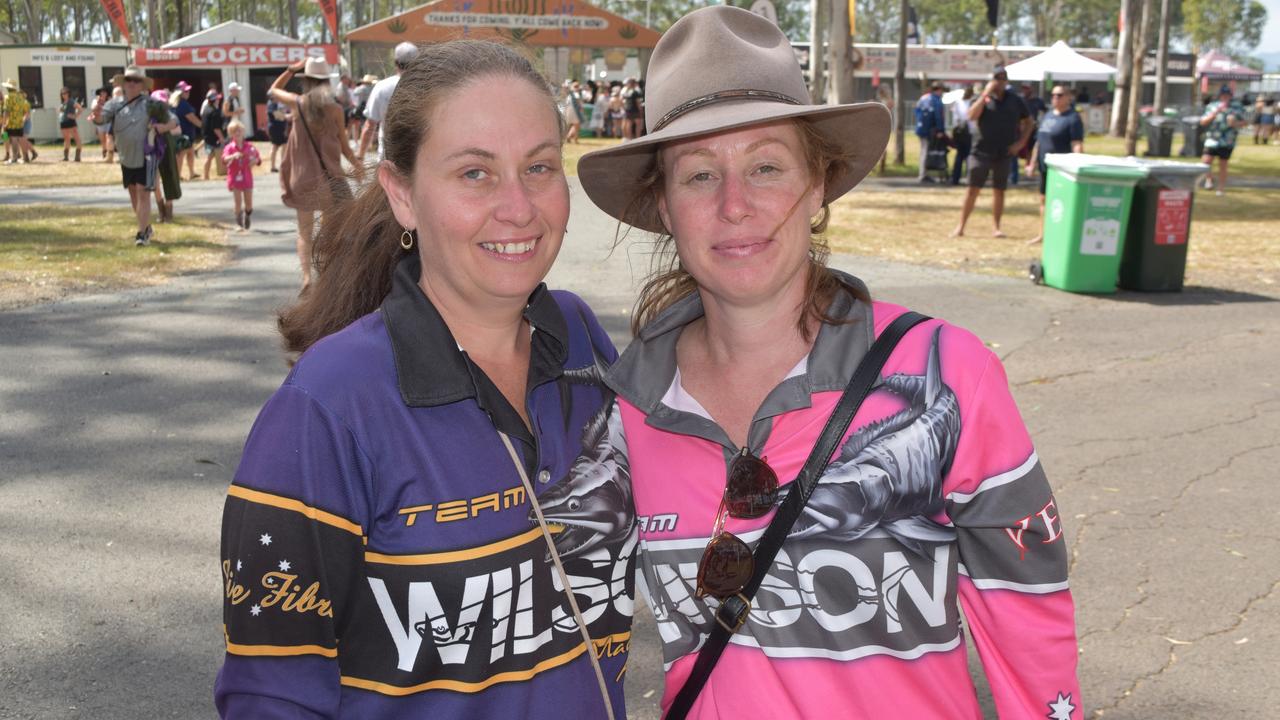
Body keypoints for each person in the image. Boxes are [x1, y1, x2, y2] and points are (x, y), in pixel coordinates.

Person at [575, 8, 1081, 719]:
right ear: (663, 205)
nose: (735, 205)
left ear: (817, 185)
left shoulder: (945, 374)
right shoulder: (626, 406)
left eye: (766, 166)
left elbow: (1029, 618)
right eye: (698, 176)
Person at [215, 38, 632, 720]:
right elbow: (271, 696)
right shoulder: (326, 408)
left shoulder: (581, 337)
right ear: (402, 194)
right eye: (474, 173)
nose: (520, 206)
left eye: (539, 167)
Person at [271, 57, 363, 288]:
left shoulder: (297, 103)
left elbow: (273, 90)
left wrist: (291, 70)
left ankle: (306, 277)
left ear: (307, 81)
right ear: (325, 82)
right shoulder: (335, 110)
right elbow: (343, 145)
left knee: (304, 232)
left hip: (302, 178)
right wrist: (357, 165)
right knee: (329, 231)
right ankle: (324, 277)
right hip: (329, 179)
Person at [90, 66, 178, 246]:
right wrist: (97, 112)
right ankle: (145, 227)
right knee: (133, 194)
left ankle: (141, 235)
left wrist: (162, 128)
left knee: (142, 192)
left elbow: (173, 120)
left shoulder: (151, 104)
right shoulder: (114, 104)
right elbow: (101, 120)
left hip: (146, 156)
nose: (131, 84)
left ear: (142, 85)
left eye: (136, 81)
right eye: (128, 80)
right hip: (125, 157)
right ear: (123, 83)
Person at [951, 69, 1031, 238]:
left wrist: (1021, 143)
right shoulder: (982, 98)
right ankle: (961, 227)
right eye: (996, 78)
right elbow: (971, 116)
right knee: (972, 189)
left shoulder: (1015, 100)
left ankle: (996, 228)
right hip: (980, 151)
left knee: (999, 190)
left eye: (1003, 79)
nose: (1000, 82)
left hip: (1004, 152)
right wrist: (985, 94)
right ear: (990, 80)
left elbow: (1029, 122)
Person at [1026, 85, 1084, 244]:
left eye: (1059, 95)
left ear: (1068, 97)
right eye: (1053, 95)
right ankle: (1042, 234)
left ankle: (1061, 236)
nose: (1055, 98)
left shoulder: (1072, 118)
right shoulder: (1048, 116)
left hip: (1062, 169)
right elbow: (1039, 142)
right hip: (1045, 167)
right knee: (1044, 200)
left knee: (1062, 202)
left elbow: (1077, 143)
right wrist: (1032, 164)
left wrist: (1077, 165)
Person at [359, 42, 419, 160]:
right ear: (417, 62)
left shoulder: (382, 87)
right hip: (419, 158)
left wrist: (360, 156)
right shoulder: (428, 86)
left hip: (388, 157)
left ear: (395, 63)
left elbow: (369, 126)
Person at [1200, 85, 1245, 196]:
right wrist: (1216, 112)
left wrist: (1235, 124)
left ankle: (1221, 188)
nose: (1225, 97)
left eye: (1227, 95)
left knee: (1223, 164)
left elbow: (1245, 122)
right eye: (1223, 95)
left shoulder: (1236, 107)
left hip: (1227, 140)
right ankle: (1209, 180)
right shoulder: (1212, 106)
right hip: (1212, 138)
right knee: (1206, 161)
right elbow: (1203, 121)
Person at [221, 119, 261, 230]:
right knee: (237, 202)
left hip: (247, 178)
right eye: (234, 131)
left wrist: (256, 161)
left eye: (239, 131)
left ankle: (247, 214)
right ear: (231, 134)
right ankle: (239, 221)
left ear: (243, 132)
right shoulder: (229, 148)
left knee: (249, 204)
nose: (237, 133)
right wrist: (233, 156)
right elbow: (224, 159)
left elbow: (257, 158)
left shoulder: (250, 147)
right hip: (234, 177)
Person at [914, 81, 946, 183]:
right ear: (939, 90)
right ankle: (923, 174)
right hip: (929, 129)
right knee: (926, 151)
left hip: (920, 127)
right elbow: (938, 116)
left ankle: (923, 173)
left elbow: (916, 110)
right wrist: (940, 130)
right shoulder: (935, 100)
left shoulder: (924, 97)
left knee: (923, 150)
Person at [948, 85, 976, 186]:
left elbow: (955, 119)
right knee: (969, 156)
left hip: (959, 132)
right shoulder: (972, 103)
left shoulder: (958, 103)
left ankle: (955, 178)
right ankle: (970, 178)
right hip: (969, 133)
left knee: (959, 156)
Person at [2, 79, 32, 164]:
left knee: (12, 139)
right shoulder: (20, 97)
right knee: (16, 139)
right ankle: (20, 157)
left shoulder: (8, 97)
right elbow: (24, 110)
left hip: (11, 122)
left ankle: (13, 158)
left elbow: (6, 111)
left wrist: (4, 122)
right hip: (19, 122)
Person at [201, 88, 226, 180]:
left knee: (210, 157)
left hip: (207, 137)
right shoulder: (215, 112)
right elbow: (216, 128)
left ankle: (206, 175)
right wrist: (221, 138)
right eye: (218, 99)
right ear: (214, 100)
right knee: (211, 156)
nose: (219, 100)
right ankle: (208, 175)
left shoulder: (206, 109)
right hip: (213, 138)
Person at [58, 87, 84, 162]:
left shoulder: (71, 101)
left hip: (70, 122)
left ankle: (77, 157)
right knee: (66, 139)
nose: (64, 95)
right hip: (63, 122)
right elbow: (62, 112)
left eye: (65, 93)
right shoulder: (63, 103)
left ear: (68, 93)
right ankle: (66, 157)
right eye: (62, 94)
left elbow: (80, 109)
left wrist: (75, 116)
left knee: (76, 138)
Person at [266, 95, 290, 172]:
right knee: (275, 146)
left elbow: (287, 111)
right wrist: (287, 116)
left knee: (284, 145)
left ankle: (282, 165)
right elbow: (276, 115)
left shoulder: (279, 103)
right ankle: (273, 166)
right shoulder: (271, 104)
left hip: (281, 127)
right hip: (275, 128)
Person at [91, 87, 116, 163]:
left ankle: (109, 155)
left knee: (108, 136)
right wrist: (98, 103)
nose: (103, 94)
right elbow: (93, 109)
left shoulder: (110, 100)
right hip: (100, 121)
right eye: (101, 92)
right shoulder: (96, 100)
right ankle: (104, 152)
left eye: (104, 92)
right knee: (102, 139)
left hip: (108, 120)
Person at [561, 80, 583, 144]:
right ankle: (575, 139)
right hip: (574, 111)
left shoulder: (570, 94)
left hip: (569, 110)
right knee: (577, 125)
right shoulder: (575, 93)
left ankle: (568, 137)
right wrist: (581, 108)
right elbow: (579, 102)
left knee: (571, 125)